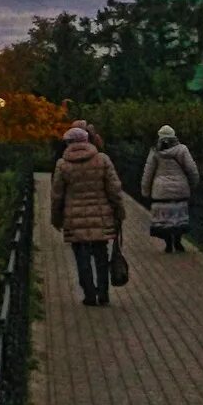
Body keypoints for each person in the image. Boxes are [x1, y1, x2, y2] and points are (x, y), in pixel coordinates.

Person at [53, 126, 123, 306]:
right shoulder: (102, 160)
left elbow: (57, 195)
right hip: (100, 215)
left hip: (74, 217)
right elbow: (114, 189)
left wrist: (56, 218)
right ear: (87, 140)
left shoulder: (63, 165)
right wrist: (119, 210)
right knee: (101, 254)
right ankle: (104, 293)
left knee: (81, 257)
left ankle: (89, 294)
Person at [142, 125, 200, 253]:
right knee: (178, 216)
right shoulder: (182, 150)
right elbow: (191, 169)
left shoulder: (155, 151)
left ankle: (168, 243)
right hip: (180, 189)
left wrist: (145, 190)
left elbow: (148, 172)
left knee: (165, 219)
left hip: (161, 190)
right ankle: (178, 242)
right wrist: (193, 183)